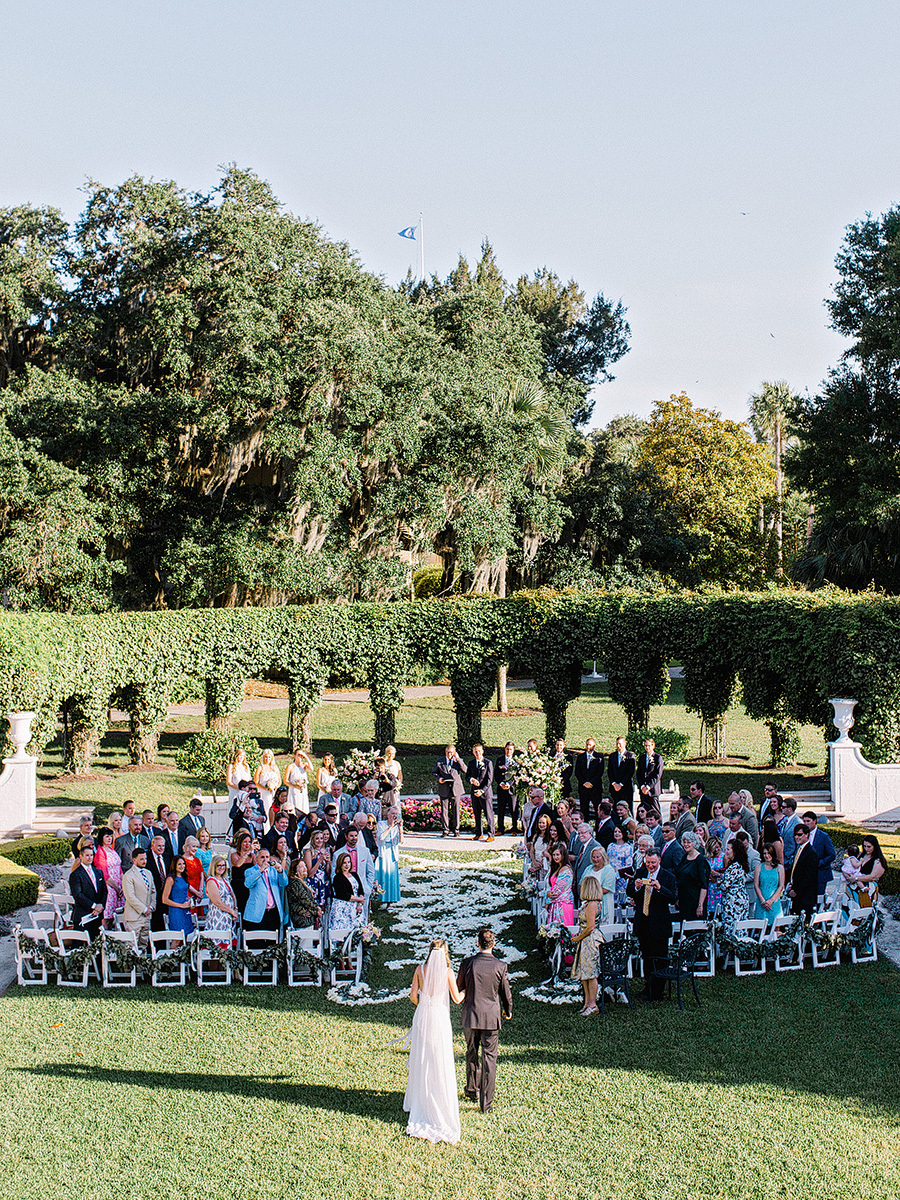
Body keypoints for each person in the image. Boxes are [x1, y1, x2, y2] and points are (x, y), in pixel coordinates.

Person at [404, 938, 465, 1144]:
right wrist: (466, 989)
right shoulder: (447, 972)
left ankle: (419, 1100)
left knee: (422, 1057)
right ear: (445, 953)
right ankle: (439, 1099)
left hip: (423, 1015)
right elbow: (456, 999)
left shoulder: (420, 969)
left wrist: (424, 1002)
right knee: (439, 1058)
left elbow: (413, 997)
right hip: (439, 1018)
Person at [456, 926, 512, 1114]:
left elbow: (459, 987)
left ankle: (472, 1089)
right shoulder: (500, 966)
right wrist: (508, 1010)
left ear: (478, 943)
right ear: (493, 944)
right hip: (491, 1017)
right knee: (490, 1058)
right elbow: (506, 993)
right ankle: (486, 1103)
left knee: (471, 1052)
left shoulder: (467, 963)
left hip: (471, 1014)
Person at [626, 849, 677, 1002]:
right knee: (647, 957)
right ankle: (648, 986)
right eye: (648, 863)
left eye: (653, 863)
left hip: (659, 924)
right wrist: (635, 886)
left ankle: (658, 991)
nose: (650, 866)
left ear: (659, 861)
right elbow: (630, 892)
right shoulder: (641, 872)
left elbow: (673, 898)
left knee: (660, 958)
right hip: (643, 922)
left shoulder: (668, 876)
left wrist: (660, 888)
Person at [570, 875, 604, 1015]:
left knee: (591, 973)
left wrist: (578, 938)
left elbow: (590, 927)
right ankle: (586, 1002)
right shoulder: (588, 903)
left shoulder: (592, 905)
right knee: (585, 972)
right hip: (585, 940)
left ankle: (592, 1004)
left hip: (590, 940)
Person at [243, 848, 288, 933]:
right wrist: (260, 871)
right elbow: (248, 884)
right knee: (258, 942)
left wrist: (281, 872)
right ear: (256, 859)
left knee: (273, 942)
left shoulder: (274, 870)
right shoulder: (250, 871)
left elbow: (284, 883)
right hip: (258, 912)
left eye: (267, 857)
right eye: (262, 857)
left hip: (273, 911)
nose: (265, 860)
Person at [69, 842, 107, 939]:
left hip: (97, 915)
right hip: (83, 914)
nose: (90, 858)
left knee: (96, 944)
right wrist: (94, 906)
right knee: (80, 946)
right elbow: (78, 895)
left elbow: (104, 891)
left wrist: (100, 906)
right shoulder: (76, 874)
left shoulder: (98, 872)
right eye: (87, 855)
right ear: (81, 856)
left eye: (91, 855)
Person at [121, 846, 155, 950]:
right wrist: (143, 909)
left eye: (145, 858)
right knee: (132, 947)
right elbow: (130, 896)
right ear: (134, 860)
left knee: (143, 945)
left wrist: (151, 907)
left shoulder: (148, 873)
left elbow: (153, 892)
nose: (144, 861)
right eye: (141, 859)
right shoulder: (128, 875)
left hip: (147, 917)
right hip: (134, 917)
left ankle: (143, 965)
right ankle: (131, 967)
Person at [93, 827, 124, 928]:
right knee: (108, 915)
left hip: (119, 884)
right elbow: (104, 874)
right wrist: (117, 888)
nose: (109, 838)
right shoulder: (100, 853)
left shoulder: (112, 850)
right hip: (109, 886)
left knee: (119, 914)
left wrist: (122, 884)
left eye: (111, 836)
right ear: (101, 838)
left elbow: (119, 868)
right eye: (107, 836)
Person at [785, 824, 818, 920]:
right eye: (795, 835)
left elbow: (809, 877)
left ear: (807, 835)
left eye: (799, 835)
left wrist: (796, 891)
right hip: (797, 895)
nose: (796, 837)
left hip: (805, 897)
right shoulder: (799, 849)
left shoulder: (811, 853)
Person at [204, 855, 239, 945]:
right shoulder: (211, 881)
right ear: (214, 866)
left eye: (223, 865)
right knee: (218, 943)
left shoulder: (225, 879)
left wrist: (235, 909)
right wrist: (232, 911)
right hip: (218, 916)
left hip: (227, 916)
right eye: (219, 865)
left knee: (229, 942)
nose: (221, 868)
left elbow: (233, 895)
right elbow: (218, 902)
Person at [676, 832, 710, 924]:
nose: (686, 845)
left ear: (694, 843)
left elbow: (704, 885)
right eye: (684, 842)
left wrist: (700, 905)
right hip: (684, 900)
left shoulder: (701, 860)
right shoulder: (684, 857)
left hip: (695, 900)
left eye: (689, 842)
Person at [433, 744, 466, 837]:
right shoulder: (440, 761)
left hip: (455, 788)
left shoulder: (457, 761)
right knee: (444, 810)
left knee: (456, 810)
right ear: (445, 752)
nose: (449, 754)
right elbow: (434, 772)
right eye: (448, 752)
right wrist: (438, 778)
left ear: (454, 752)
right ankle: (445, 830)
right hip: (444, 788)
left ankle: (456, 830)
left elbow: (465, 770)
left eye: (451, 752)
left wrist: (458, 759)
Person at [802, 811, 837, 900]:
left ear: (814, 821)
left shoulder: (823, 836)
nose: (806, 824)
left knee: (818, 899)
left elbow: (832, 855)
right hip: (806, 874)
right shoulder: (802, 835)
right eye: (804, 821)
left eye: (808, 821)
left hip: (820, 874)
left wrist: (819, 863)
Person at [718, 840, 750, 935]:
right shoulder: (739, 865)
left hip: (734, 903)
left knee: (733, 929)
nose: (726, 852)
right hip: (740, 900)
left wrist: (720, 883)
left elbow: (725, 886)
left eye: (728, 849)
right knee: (741, 927)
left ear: (734, 851)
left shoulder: (734, 867)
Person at [467, 743, 495, 841]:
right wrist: (471, 780)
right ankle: (479, 833)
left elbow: (489, 779)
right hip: (475, 793)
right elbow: (467, 776)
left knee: (488, 814)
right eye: (475, 751)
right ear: (473, 752)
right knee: (477, 813)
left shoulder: (488, 763)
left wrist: (482, 790)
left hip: (485, 793)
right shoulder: (471, 763)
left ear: (482, 751)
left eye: (479, 751)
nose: (477, 753)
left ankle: (491, 834)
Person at [330, 852, 365, 931]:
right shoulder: (338, 878)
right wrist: (360, 900)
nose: (347, 865)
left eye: (348, 862)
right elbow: (344, 895)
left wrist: (360, 903)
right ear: (340, 864)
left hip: (356, 906)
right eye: (344, 863)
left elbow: (361, 890)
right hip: (344, 909)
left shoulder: (354, 875)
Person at [848, 836, 886, 909]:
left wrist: (856, 878)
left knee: (864, 910)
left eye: (869, 847)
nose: (866, 849)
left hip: (868, 889)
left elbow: (873, 876)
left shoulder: (878, 860)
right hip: (854, 887)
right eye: (864, 846)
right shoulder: (862, 855)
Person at [582, 845, 616, 923]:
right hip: (587, 903)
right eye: (593, 857)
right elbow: (582, 884)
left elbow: (606, 889)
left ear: (603, 857)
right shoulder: (588, 868)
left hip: (603, 903)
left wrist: (589, 893)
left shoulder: (609, 870)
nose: (595, 859)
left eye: (598, 857)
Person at [162, 855, 195, 937]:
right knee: (177, 938)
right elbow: (164, 899)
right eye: (179, 864)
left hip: (186, 910)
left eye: (183, 864)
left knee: (186, 937)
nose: (182, 866)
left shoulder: (184, 877)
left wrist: (190, 903)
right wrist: (181, 905)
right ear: (174, 865)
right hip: (176, 911)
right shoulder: (170, 879)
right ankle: (171, 950)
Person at [543, 844, 575, 926]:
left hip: (563, 904)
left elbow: (557, 891)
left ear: (563, 855)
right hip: (556, 903)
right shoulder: (557, 867)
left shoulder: (566, 870)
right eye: (553, 855)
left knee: (562, 929)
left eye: (558, 854)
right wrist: (547, 892)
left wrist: (547, 900)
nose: (555, 857)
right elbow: (552, 887)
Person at [303, 829, 333, 916]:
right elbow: (310, 873)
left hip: (323, 883)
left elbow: (327, 872)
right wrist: (319, 860)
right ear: (313, 840)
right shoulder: (308, 852)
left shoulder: (325, 851)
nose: (319, 841)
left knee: (324, 909)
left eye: (321, 838)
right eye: (317, 839)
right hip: (313, 883)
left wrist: (328, 862)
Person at [753, 844, 785, 924]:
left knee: (776, 927)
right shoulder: (758, 867)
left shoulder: (780, 867)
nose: (767, 856)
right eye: (764, 853)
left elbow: (781, 885)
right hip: (762, 901)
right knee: (761, 927)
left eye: (769, 853)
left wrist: (771, 900)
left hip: (775, 901)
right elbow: (756, 885)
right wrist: (763, 901)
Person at [286, 858, 321, 928]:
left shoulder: (301, 882)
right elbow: (304, 899)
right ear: (295, 870)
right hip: (302, 920)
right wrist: (316, 911)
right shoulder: (295, 883)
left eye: (305, 866)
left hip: (308, 919)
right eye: (301, 867)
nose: (305, 868)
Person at [376, 807, 402, 903]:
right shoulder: (381, 824)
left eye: (396, 814)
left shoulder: (397, 826)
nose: (394, 816)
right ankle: (380, 898)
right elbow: (381, 837)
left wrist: (400, 828)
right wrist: (390, 827)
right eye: (392, 813)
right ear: (388, 815)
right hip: (383, 852)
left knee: (391, 876)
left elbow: (401, 841)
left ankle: (390, 900)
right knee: (382, 874)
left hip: (392, 852)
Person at [573, 739, 604, 819]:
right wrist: (584, 782)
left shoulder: (599, 757)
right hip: (583, 788)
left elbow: (600, 772)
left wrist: (591, 782)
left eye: (590, 745)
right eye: (587, 744)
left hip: (595, 787)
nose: (588, 746)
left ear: (594, 746)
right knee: (584, 809)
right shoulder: (580, 757)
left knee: (597, 809)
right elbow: (577, 772)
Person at [607, 824, 633, 910]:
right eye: (615, 832)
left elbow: (629, 864)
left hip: (622, 877)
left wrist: (621, 874)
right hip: (611, 876)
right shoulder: (610, 846)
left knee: (621, 899)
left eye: (619, 832)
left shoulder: (628, 847)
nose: (617, 833)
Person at [146, 835, 169, 933]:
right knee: (156, 927)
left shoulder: (167, 857)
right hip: (153, 897)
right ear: (152, 846)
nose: (161, 848)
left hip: (165, 897)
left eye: (163, 846)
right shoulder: (146, 858)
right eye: (159, 846)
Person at [229, 830, 255, 919]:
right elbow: (238, 864)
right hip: (238, 885)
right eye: (245, 842)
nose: (247, 844)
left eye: (249, 842)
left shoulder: (252, 856)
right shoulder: (234, 855)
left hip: (249, 886)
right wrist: (246, 853)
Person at [495, 742, 518, 834]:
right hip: (501, 789)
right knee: (501, 809)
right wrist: (501, 783)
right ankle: (500, 829)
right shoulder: (499, 760)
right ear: (505, 749)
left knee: (513, 809)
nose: (509, 751)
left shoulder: (516, 761)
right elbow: (496, 774)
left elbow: (517, 775)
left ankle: (514, 829)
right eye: (507, 749)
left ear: (513, 751)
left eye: (511, 749)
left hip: (512, 789)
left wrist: (509, 784)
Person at [606, 735, 635, 810]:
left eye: (620, 744)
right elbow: (609, 771)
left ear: (625, 744)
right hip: (614, 788)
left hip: (626, 787)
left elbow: (630, 772)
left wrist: (621, 784)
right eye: (617, 744)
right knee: (615, 809)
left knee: (627, 809)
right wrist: (614, 783)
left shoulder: (630, 756)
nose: (618, 746)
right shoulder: (612, 756)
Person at [635, 738, 663, 815]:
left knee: (655, 811)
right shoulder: (642, 758)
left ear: (653, 746)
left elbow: (658, 774)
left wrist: (648, 786)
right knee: (644, 810)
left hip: (653, 790)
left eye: (649, 746)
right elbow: (639, 773)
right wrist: (642, 786)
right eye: (645, 746)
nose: (647, 747)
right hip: (643, 790)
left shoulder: (658, 758)